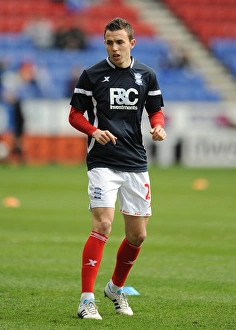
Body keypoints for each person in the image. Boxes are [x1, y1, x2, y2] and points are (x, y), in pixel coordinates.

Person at [68, 17, 167, 320]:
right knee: (103, 226)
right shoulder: (92, 75)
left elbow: (156, 110)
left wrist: (158, 128)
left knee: (137, 236)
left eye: (120, 41)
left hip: (135, 162)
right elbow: (74, 114)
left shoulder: (146, 75)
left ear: (131, 43)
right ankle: (86, 300)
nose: (114, 47)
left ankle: (115, 288)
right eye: (109, 42)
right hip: (103, 162)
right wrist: (93, 132)